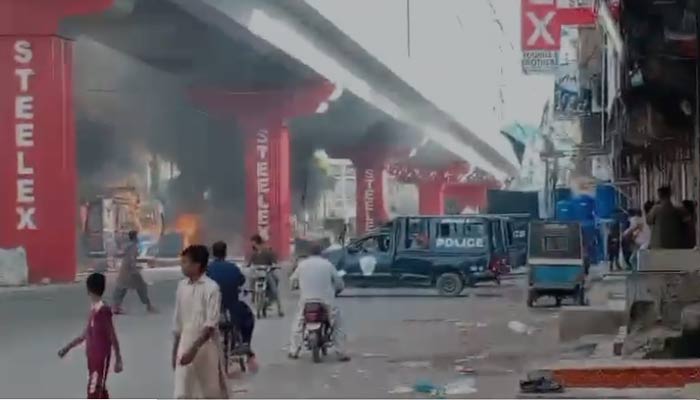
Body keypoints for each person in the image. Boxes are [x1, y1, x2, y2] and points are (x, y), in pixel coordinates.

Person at [172, 245, 228, 399]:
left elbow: (210, 324)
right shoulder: (182, 287)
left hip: (206, 347)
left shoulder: (211, 288)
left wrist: (194, 349)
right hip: (184, 345)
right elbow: (178, 322)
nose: (182, 266)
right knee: (183, 391)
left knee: (208, 391)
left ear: (197, 265)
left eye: (185, 262)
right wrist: (175, 350)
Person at [59, 273, 123, 399]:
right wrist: (67, 348)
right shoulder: (94, 310)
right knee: (100, 392)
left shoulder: (103, 311)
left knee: (94, 391)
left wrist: (118, 359)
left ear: (89, 290)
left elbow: (111, 334)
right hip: (92, 360)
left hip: (101, 359)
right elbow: (85, 335)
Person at [288, 243, 349, 361]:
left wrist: (295, 287)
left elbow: (292, 282)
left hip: (306, 300)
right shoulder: (328, 265)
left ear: (309, 253)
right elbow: (339, 283)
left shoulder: (302, 265)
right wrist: (338, 289)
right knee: (337, 324)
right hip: (326, 301)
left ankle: (294, 351)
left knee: (298, 323)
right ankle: (341, 353)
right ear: (322, 253)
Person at [206, 241, 257, 372]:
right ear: (225, 253)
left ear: (213, 253)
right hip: (232, 306)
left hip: (211, 308)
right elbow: (241, 281)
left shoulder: (207, 269)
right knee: (249, 318)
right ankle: (245, 344)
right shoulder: (233, 268)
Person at [112, 230, 156, 314]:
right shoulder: (134, 247)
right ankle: (148, 306)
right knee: (141, 287)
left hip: (124, 270)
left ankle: (116, 307)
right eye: (138, 236)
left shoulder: (129, 245)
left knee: (121, 288)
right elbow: (132, 258)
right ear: (135, 237)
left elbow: (123, 254)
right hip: (131, 271)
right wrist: (134, 268)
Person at [247, 234, 283, 317]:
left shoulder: (268, 251)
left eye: (252, 242)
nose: (252, 244)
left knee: (274, 288)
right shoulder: (254, 253)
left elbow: (274, 262)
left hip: (267, 272)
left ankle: (280, 308)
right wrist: (248, 266)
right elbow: (249, 263)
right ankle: (253, 294)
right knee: (251, 280)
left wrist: (273, 266)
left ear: (256, 242)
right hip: (257, 273)